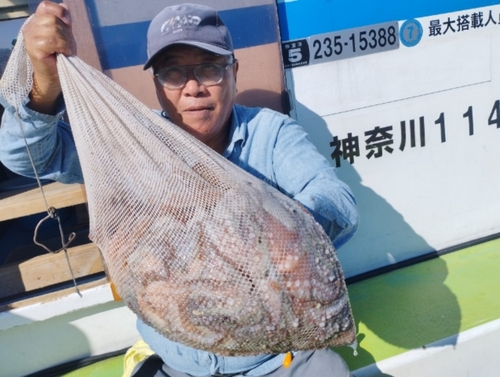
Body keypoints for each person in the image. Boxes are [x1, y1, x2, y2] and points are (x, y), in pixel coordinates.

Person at [0, 2, 359, 376]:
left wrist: (256, 239)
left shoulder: (272, 135)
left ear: (233, 72)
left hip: (276, 359)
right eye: (173, 73)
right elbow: (28, 157)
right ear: (156, 83)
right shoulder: (133, 146)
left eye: (209, 68)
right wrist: (44, 83)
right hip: (178, 364)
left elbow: (337, 205)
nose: (193, 89)